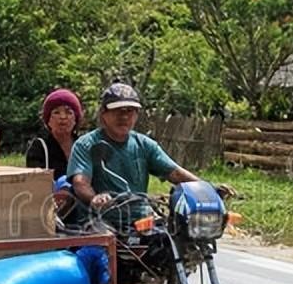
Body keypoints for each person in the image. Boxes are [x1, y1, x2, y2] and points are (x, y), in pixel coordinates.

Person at [68, 82, 200, 214]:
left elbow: (175, 173)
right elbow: (81, 182)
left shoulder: (144, 144)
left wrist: (206, 187)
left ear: (137, 115)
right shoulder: (86, 144)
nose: (124, 116)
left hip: (141, 218)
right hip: (100, 218)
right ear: (103, 114)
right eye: (117, 111)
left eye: (129, 111)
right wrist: (95, 198)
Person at [25, 88, 82, 180]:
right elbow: (35, 182)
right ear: (48, 121)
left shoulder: (84, 145)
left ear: (75, 120)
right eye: (56, 112)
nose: (63, 117)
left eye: (68, 112)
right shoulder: (39, 147)